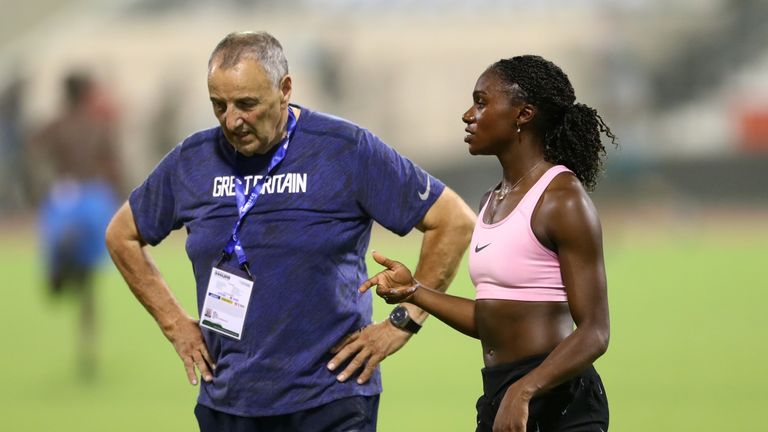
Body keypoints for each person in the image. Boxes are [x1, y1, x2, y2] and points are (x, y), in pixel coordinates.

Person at [104, 31, 474, 431]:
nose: (232, 120)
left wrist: (404, 321)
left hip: (330, 400)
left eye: (247, 104)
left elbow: (452, 221)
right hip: (229, 402)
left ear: (285, 89)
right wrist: (175, 324)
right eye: (219, 105)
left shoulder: (344, 149)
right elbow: (122, 234)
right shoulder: (193, 160)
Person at [360, 55, 616, 432]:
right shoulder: (491, 200)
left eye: (481, 102)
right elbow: (490, 319)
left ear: (523, 114)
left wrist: (525, 390)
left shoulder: (561, 198)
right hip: (502, 393)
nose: (468, 115)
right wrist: (414, 291)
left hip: (559, 401)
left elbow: (595, 330)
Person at [27, 71, 121, 379]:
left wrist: (39, 191)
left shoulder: (55, 125)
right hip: (93, 200)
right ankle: (87, 341)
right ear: (85, 94)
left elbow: (33, 154)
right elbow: (113, 165)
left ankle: (60, 270)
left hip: (64, 198)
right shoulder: (97, 126)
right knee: (88, 286)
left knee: (68, 277)